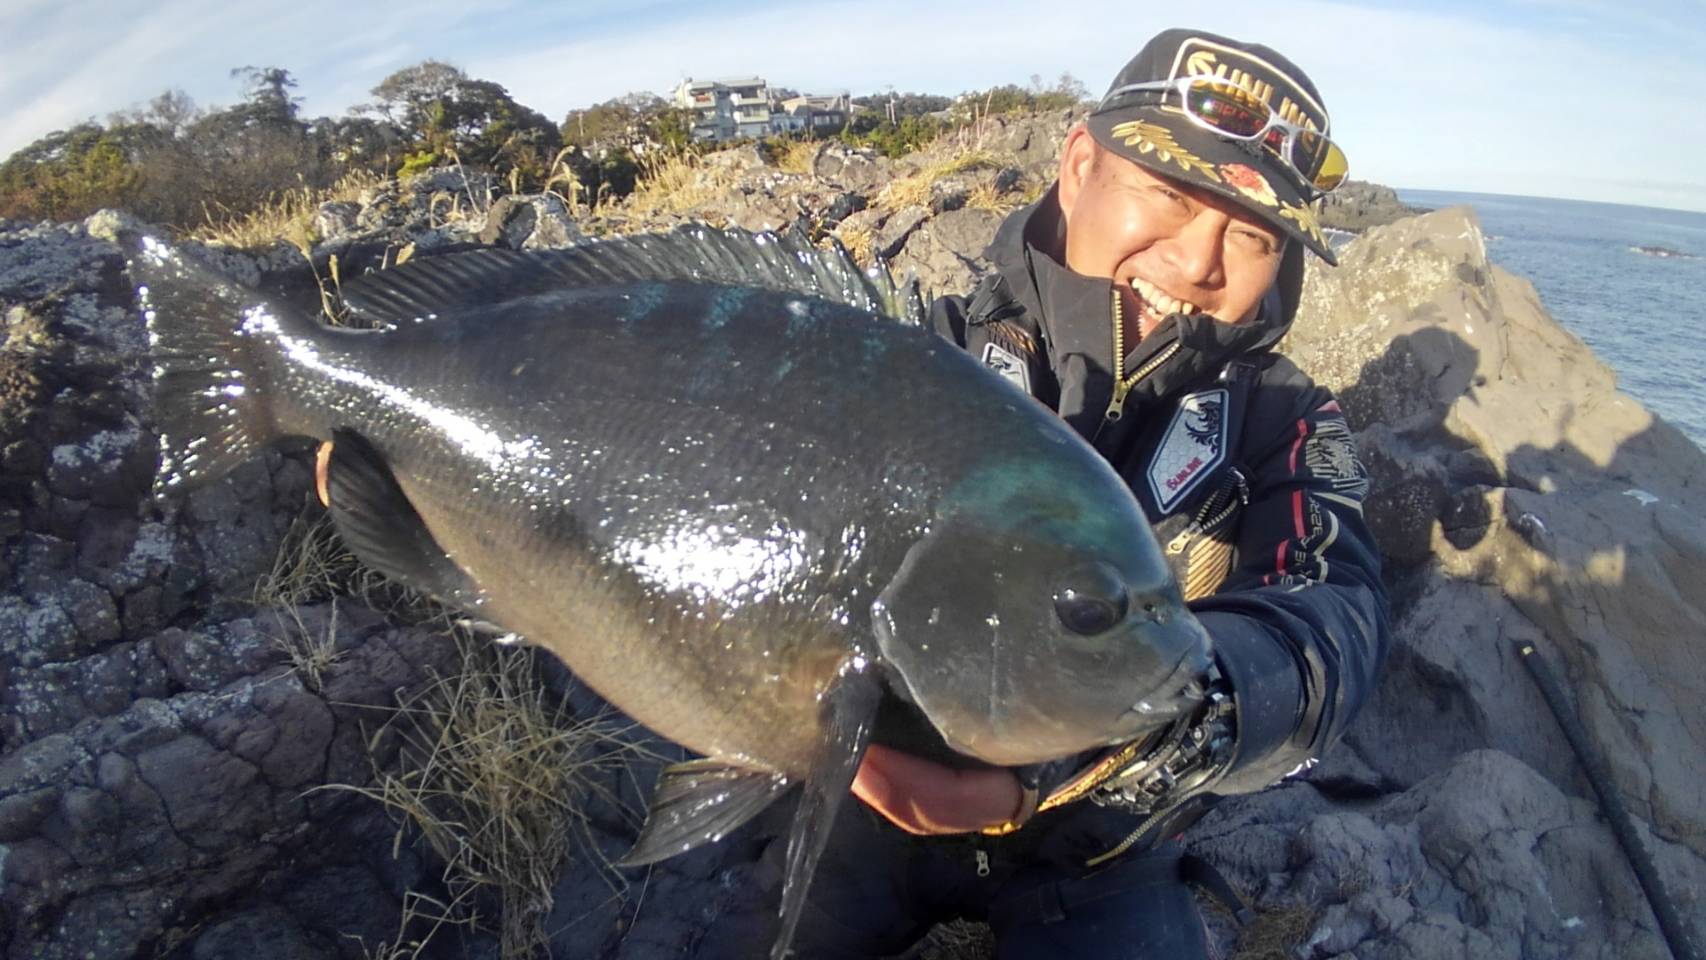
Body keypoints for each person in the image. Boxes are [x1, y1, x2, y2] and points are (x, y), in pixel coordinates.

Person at [699, 27, 1389, 959]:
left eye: (1254, 235)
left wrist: (1072, 763)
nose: (1198, 261)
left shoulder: (1287, 419)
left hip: (1104, 840)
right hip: (864, 796)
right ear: (1077, 165)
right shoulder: (920, 347)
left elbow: (1331, 628)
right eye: (1172, 195)